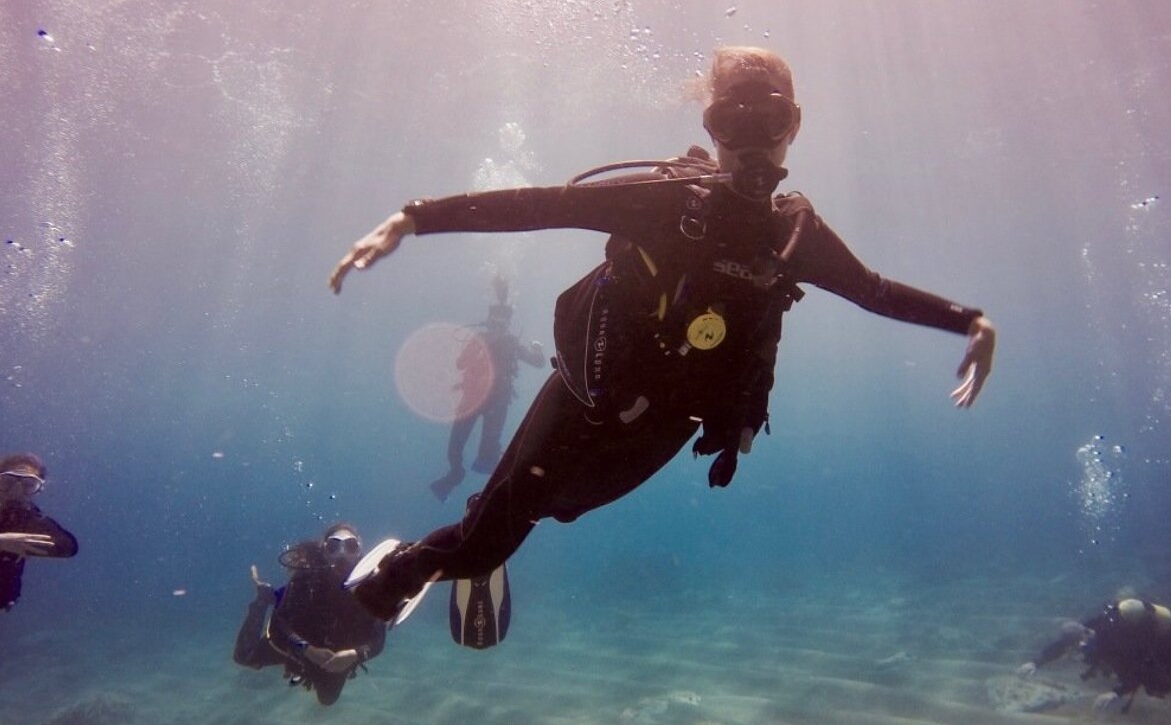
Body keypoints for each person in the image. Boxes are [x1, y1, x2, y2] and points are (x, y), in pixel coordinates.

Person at [328, 46, 997, 623]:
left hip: (669, 421)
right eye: (732, 123)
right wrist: (414, 219)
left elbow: (873, 291)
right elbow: (540, 206)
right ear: (711, 126)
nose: (753, 142)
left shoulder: (796, 237)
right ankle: (409, 567)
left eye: (771, 122)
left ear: (794, 128)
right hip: (585, 397)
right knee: (488, 546)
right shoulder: (668, 201)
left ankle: (487, 513)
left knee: (559, 508)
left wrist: (969, 321)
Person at [233, 523, 386, 705]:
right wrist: (305, 649)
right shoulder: (306, 578)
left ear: (359, 551)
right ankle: (264, 598)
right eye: (334, 547)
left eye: (350, 546)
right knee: (243, 656)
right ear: (324, 550)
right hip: (298, 646)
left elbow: (378, 636)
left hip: (339, 656)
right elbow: (278, 623)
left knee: (327, 700)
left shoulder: (368, 585)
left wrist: (354, 655)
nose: (342, 555)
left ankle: (271, 598)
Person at [430, 275, 546, 502]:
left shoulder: (512, 343)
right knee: (455, 446)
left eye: (502, 322)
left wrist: (537, 350)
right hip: (471, 400)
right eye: (494, 321)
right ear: (489, 320)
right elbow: (460, 364)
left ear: (507, 324)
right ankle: (455, 474)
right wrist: (478, 345)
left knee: (489, 452)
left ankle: (498, 493)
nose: (497, 326)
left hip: (498, 402)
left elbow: (537, 362)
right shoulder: (479, 339)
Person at [1018, 597, 1171, 712]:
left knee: (1167, 679)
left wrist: (1116, 693)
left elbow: (1138, 671)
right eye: (1076, 647)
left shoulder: (1113, 642)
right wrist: (1036, 663)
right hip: (1170, 641)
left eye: (1081, 644)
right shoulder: (1092, 626)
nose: (1081, 648)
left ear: (1087, 633)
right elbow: (1062, 644)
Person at [0, 452, 78, 613]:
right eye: (8, 482)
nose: (16, 491)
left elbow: (67, 547)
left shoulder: (29, 519)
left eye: (28, 485)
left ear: (39, 489)